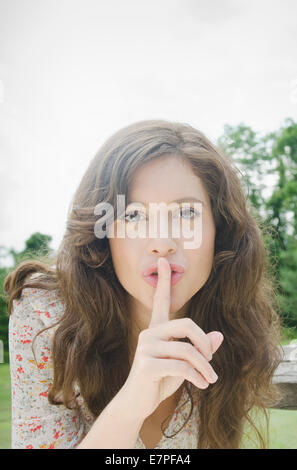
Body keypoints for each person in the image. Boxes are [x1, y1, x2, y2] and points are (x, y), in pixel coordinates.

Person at [4, 119, 283, 449]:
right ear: (103, 234)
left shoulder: (230, 330)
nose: (162, 242)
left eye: (186, 213)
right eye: (134, 215)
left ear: (218, 232)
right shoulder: (46, 316)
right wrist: (133, 402)